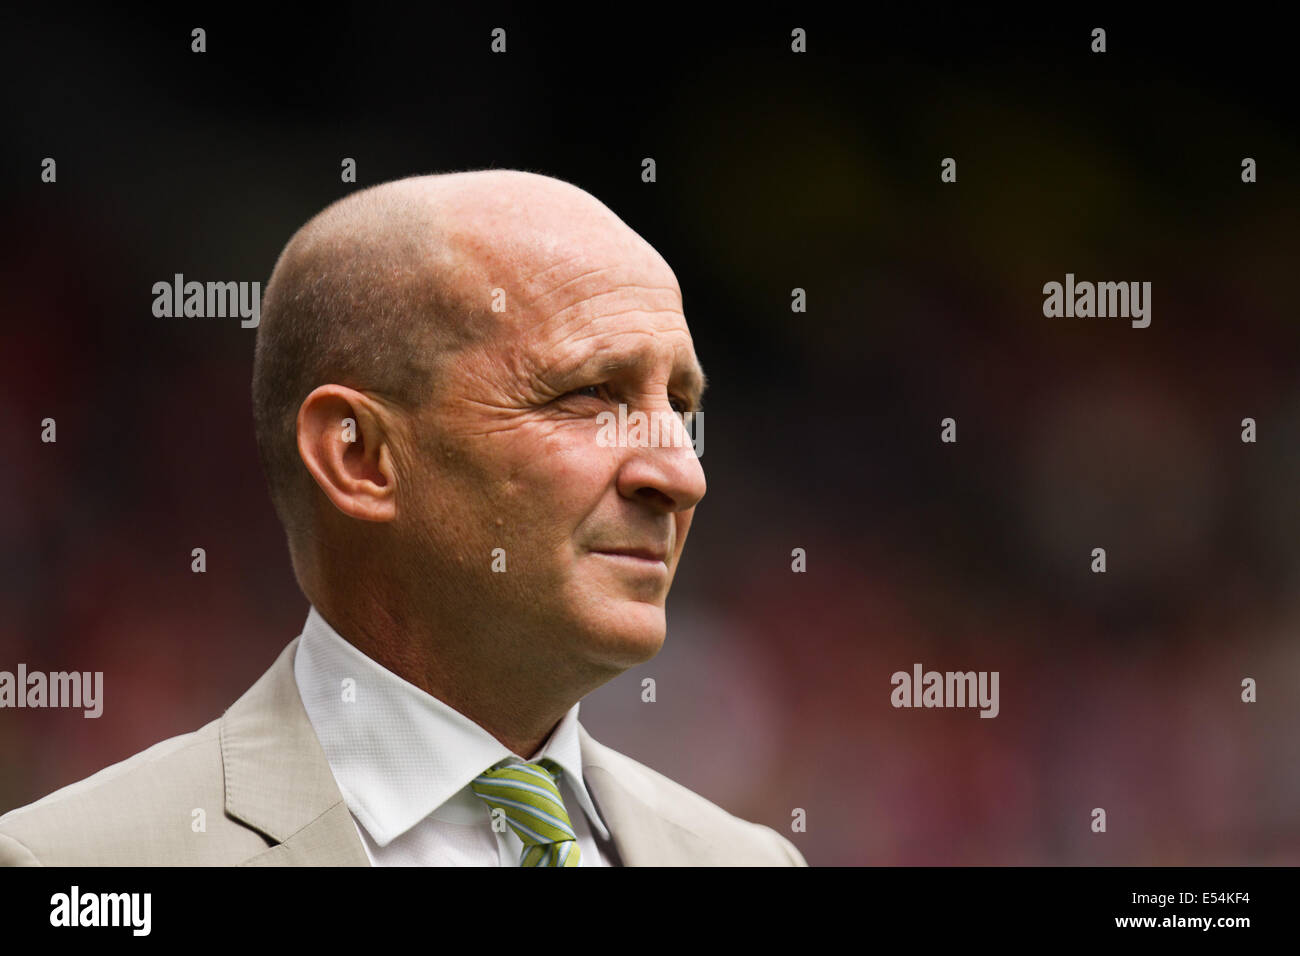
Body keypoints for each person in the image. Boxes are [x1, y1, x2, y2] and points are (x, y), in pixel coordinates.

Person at [0, 170, 806, 866]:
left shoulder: (751, 858)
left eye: (680, 405)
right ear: (358, 456)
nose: (681, 473)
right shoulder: (75, 866)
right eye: (591, 393)